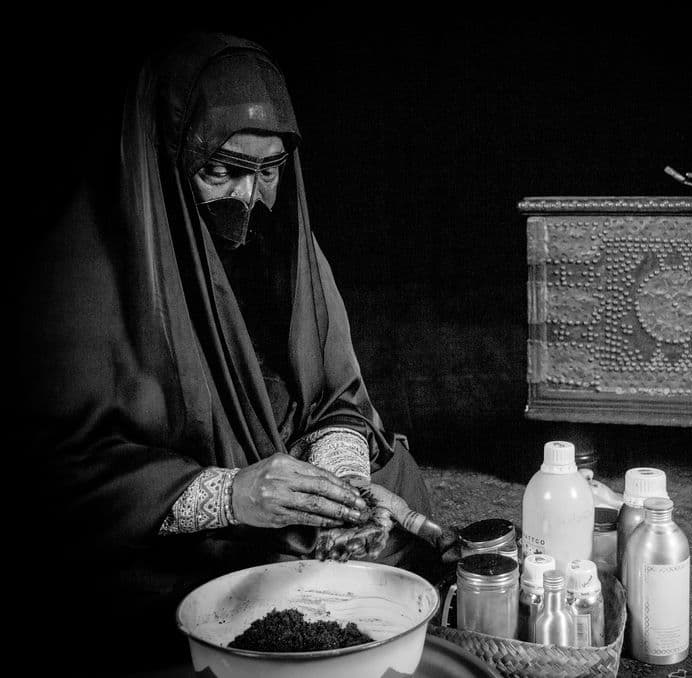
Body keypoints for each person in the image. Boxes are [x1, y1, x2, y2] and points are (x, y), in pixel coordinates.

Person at [17, 32, 443, 672]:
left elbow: (334, 396)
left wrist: (338, 487)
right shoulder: (83, 272)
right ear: (165, 158)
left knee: (392, 494)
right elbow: (62, 470)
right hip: (175, 511)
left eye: (268, 171)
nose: (249, 198)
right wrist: (231, 494)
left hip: (283, 480)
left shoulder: (285, 238)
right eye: (221, 171)